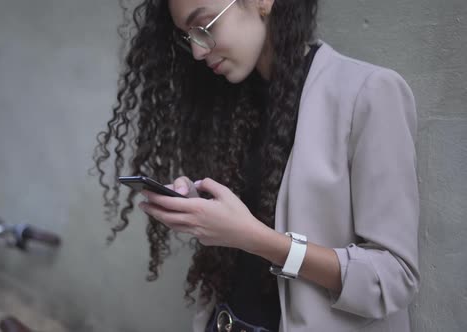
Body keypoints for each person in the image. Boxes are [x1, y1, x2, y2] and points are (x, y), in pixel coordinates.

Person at [93, 0, 420, 331]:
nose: (197, 52)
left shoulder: (368, 93)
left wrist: (254, 238)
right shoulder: (230, 100)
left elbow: (393, 277)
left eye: (203, 28)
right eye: (186, 36)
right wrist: (203, 204)